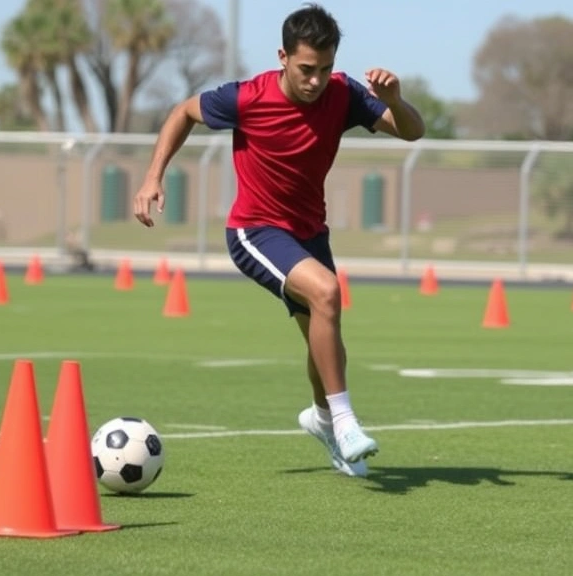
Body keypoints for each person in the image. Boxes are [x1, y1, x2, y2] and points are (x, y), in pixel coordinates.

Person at [132, 3, 425, 478]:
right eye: (307, 69)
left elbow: (413, 132)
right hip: (255, 230)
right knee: (327, 293)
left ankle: (324, 420)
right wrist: (152, 177)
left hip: (311, 232)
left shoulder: (343, 93)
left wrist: (393, 99)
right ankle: (347, 422)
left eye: (325, 69)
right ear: (283, 57)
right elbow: (183, 112)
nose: (315, 80)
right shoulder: (247, 97)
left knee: (323, 339)